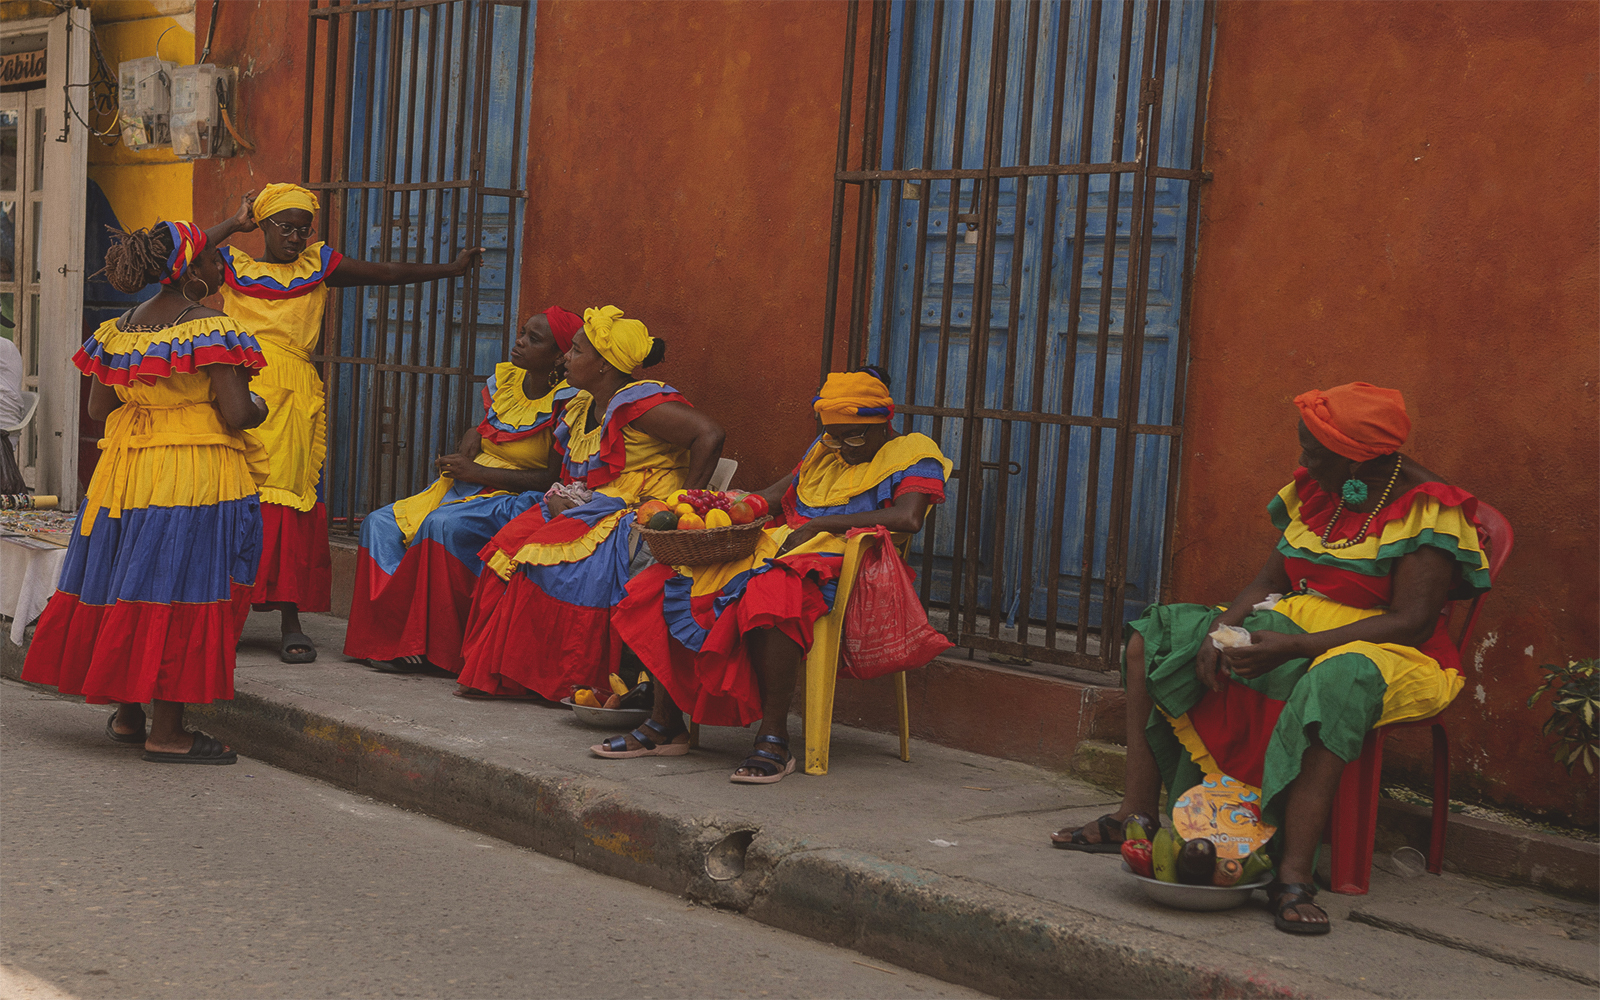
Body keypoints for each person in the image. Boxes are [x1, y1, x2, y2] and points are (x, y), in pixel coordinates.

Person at [1047, 382, 1491, 936]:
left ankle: (1292, 876)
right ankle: (1133, 815)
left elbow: (1413, 622)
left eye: (1313, 451)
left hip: (1391, 651)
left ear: (1357, 459)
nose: (1302, 460)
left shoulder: (1429, 511)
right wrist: (1223, 628)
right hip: (1294, 626)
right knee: (1156, 638)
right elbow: (1268, 580)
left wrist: (1296, 646)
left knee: (1336, 679)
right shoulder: (1323, 491)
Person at [599, 367, 951, 784]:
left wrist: (825, 526)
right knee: (666, 578)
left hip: (850, 563)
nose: (842, 447)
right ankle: (665, 723)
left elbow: (908, 517)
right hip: (783, 547)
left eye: (853, 437)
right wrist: (715, 506)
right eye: (833, 436)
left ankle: (774, 737)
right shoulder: (828, 448)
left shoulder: (915, 451)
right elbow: (773, 497)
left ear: (883, 424)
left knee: (772, 593)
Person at [203, 183, 484, 663]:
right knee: (232, 495)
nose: (295, 236)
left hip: (290, 396)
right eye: (285, 227)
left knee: (287, 501)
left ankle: (290, 617)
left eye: (303, 228)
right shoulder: (232, 265)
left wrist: (451, 269)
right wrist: (232, 222)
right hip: (235, 389)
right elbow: (181, 254)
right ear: (264, 225)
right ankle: (225, 613)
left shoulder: (319, 264)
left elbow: (387, 271)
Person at [21, 220, 269, 764]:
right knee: (181, 585)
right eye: (212, 262)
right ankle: (169, 733)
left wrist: (149, 403)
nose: (219, 269)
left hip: (124, 476)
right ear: (192, 272)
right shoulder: (209, 326)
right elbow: (236, 413)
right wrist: (261, 408)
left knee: (127, 579)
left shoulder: (118, 329)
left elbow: (97, 410)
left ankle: (131, 715)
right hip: (191, 474)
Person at [455, 305, 725, 701]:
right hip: (588, 503)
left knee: (548, 563)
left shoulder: (638, 405)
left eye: (577, 351)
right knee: (507, 547)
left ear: (603, 366)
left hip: (633, 509)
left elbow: (710, 435)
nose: (566, 357)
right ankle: (512, 673)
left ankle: (566, 679)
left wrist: (681, 502)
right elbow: (573, 474)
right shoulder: (582, 405)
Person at [342, 307, 581, 674]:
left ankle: (432, 649)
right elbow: (491, 426)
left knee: (441, 525)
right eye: (522, 332)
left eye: (534, 339)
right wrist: (473, 434)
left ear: (557, 356)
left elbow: (551, 478)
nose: (519, 342)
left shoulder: (568, 402)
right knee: (379, 523)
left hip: (515, 498)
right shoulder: (507, 381)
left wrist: (478, 470)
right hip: (468, 485)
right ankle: (383, 638)